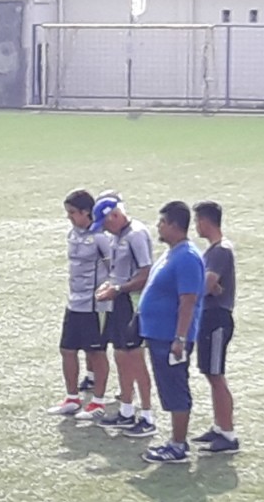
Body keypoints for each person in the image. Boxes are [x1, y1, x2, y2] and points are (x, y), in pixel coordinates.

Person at [139, 202, 205, 464]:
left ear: (175, 226)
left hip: (171, 338)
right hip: (159, 335)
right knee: (168, 387)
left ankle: (178, 445)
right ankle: (175, 441)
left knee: (175, 387)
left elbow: (188, 300)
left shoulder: (187, 257)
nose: (159, 227)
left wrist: (180, 338)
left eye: (162, 222)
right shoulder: (172, 254)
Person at [88, 192, 157, 438]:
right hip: (118, 302)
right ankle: (127, 411)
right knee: (120, 355)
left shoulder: (136, 234)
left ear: (116, 215)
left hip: (132, 304)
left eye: (107, 222)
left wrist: (118, 289)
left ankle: (147, 416)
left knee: (135, 359)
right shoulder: (119, 236)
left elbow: (145, 273)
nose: (105, 228)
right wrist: (109, 286)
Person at [49, 190, 113, 417]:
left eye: (73, 212)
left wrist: (107, 291)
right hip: (74, 302)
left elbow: (112, 268)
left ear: (87, 212)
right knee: (67, 349)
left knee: (96, 353)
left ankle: (98, 402)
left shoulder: (101, 238)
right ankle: (72, 398)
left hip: (95, 306)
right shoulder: (72, 234)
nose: (69, 217)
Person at [191, 201, 239, 454]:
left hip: (216, 319)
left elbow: (207, 285)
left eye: (197, 220)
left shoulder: (220, 250)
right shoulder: (213, 251)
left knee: (216, 375)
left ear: (206, 221)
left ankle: (228, 434)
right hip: (210, 318)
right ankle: (220, 427)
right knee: (211, 374)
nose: (196, 225)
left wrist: (195, 290)